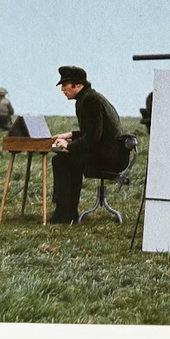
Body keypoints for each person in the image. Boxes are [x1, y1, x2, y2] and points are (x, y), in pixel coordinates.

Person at [49, 66, 125, 224]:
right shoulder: (89, 97)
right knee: (68, 160)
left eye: (65, 85)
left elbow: (92, 137)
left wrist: (68, 146)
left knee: (61, 161)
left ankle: (64, 214)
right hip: (110, 154)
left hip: (108, 158)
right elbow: (93, 131)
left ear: (77, 85)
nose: (63, 89)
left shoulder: (89, 101)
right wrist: (69, 135)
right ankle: (68, 212)